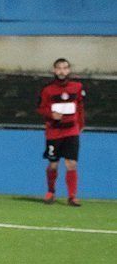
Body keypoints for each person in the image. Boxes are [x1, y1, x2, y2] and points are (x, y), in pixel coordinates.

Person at [37, 58, 85, 206]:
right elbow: (40, 108)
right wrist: (52, 115)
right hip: (54, 132)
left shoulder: (77, 87)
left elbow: (80, 107)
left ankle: (72, 196)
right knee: (53, 164)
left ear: (69, 70)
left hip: (71, 131)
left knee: (71, 164)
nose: (62, 71)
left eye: (65, 68)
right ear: (54, 70)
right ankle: (51, 192)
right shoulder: (47, 90)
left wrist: (81, 125)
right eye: (59, 68)